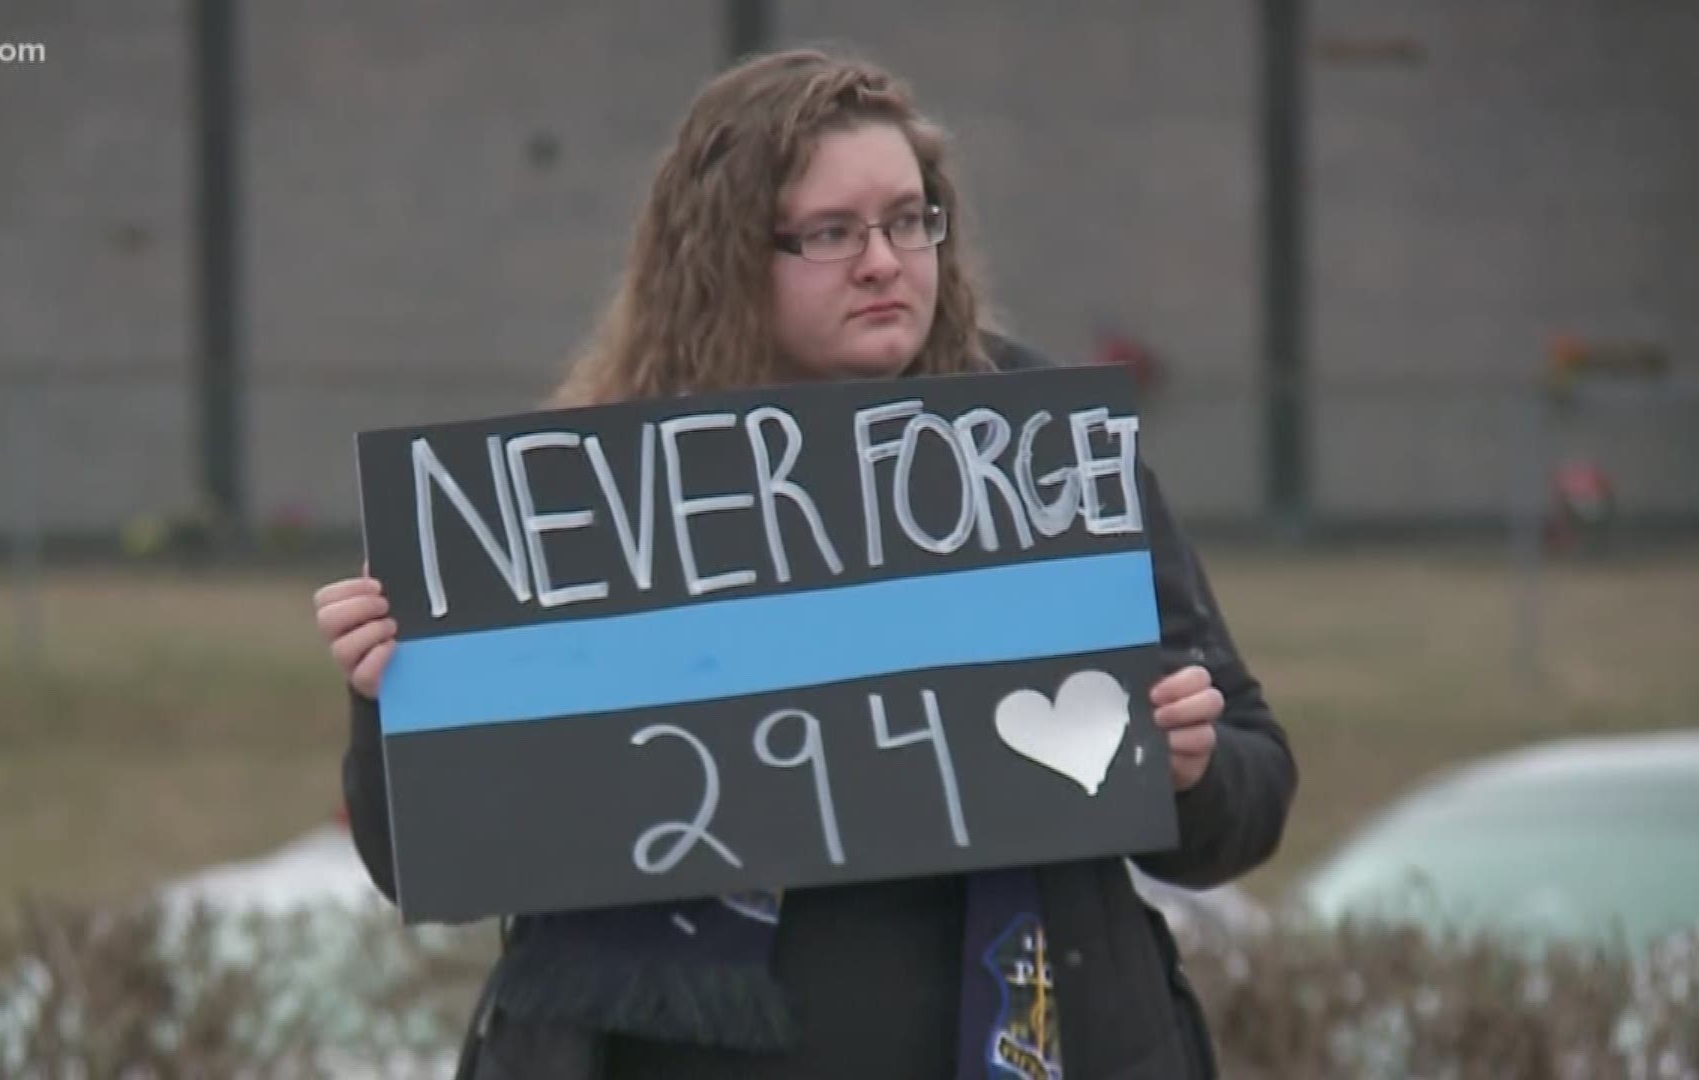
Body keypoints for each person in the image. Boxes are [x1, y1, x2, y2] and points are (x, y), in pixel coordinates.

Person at [312, 47, 1295, 1080]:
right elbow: (428, 857)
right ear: (729, 255)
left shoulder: (1036, 461)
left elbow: (1251, 786)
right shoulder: (588, 502)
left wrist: (1189, 770)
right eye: (832, 233)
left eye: (911, 219)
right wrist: (391, 689)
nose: (884, 260)